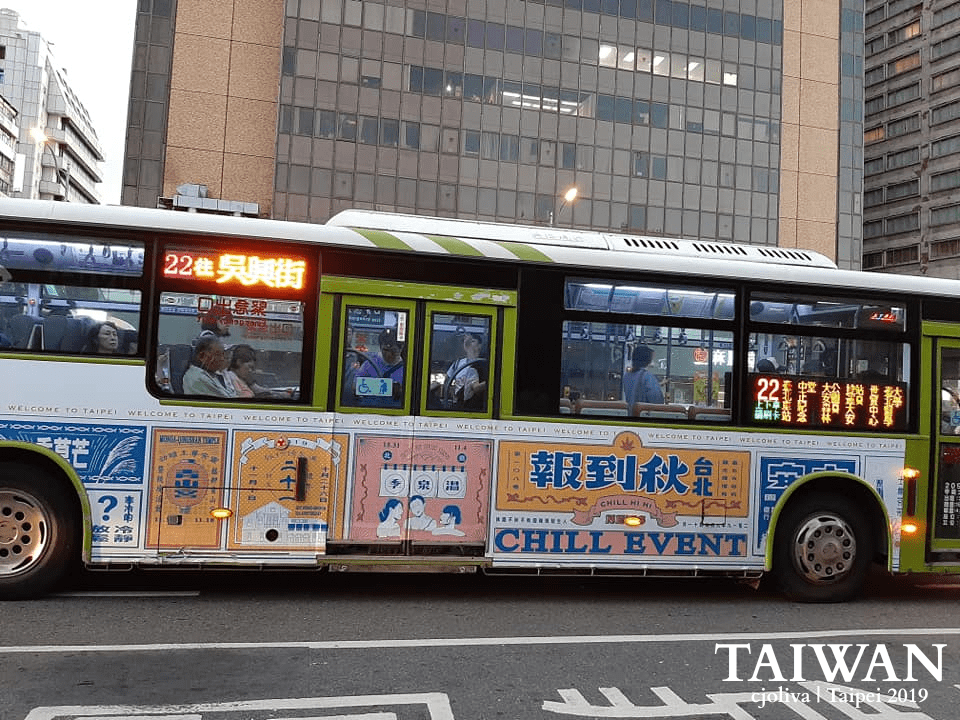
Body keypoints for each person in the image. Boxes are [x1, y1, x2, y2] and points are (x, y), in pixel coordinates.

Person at [431, 331, 487, 409]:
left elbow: (478, 387)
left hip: (476, 405)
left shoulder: (483, 364)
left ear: (480, 346)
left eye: (473, 341)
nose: (469, 343)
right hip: (459, 403)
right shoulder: (458, 363)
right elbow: (447, 381)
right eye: (467, 342)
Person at [354, 328, 405, 407]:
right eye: (386, 350)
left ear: (401, 349)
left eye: (393, 351)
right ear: (380, 347)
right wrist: (389, 388)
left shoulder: (406, 369)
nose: (389, 354)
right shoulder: (369, 364)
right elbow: (355, 387)